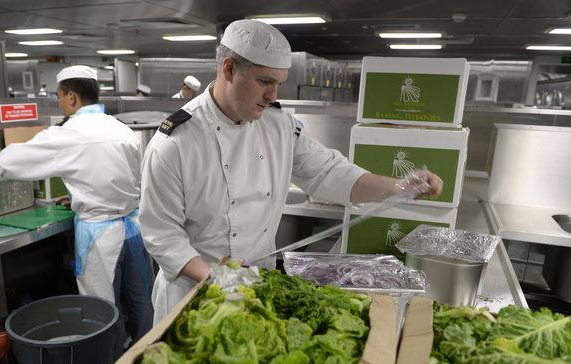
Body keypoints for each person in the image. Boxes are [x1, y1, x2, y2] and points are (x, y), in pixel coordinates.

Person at [139, 20, 443, 324]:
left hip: (254, 291)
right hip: (192, 294)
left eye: (279, 84)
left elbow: (331, 174)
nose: (272, 95)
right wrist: (218, 280)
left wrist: (401, 185)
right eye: (264, 81)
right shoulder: (175, 142)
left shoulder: (278, 125)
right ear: (229, 69)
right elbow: (162, 236)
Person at [0, 65, 154, 345]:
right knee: (142, 302)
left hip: (100, 236)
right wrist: (83, 195)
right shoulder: (122, 130)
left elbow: (13, 159)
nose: (60, 103)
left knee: (103, 311)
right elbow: (132, 179)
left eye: (60, 96)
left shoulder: (68, 133)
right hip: (133, 229)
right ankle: (148, 359)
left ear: (72, 98)